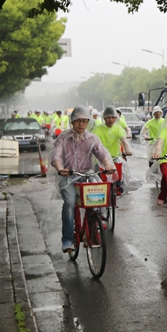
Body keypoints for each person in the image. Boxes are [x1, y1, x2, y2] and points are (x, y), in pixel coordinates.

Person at [50, 105, 115, 253]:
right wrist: (60, 168)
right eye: (78, 121)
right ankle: (67, 239)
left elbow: (102, 153)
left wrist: (108, 165)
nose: (81, 124)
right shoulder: (63, 138)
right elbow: (56, 156)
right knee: (70, 203)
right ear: (72, 122)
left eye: (84, 121)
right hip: (68, 176)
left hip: (87, 174)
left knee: (99, 194)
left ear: (88, 122)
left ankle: (96, 219)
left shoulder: (92, 138)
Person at [92, 106, 133, 195]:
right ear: (104, 118)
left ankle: (117, 187)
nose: (110, 120)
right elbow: (93, 141)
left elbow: (123, 140)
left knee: (119, 175)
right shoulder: (98, 129)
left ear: (116, 118)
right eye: (108, 117)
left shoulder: (118, 128)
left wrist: (127, 149)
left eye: (113, 117)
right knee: (98, 177)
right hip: (100, 159)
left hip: (115, 157)